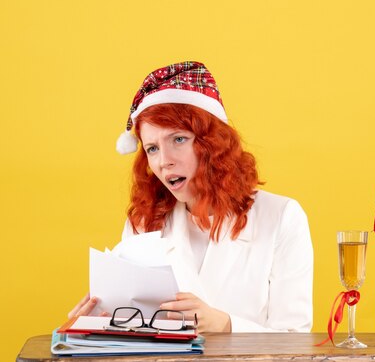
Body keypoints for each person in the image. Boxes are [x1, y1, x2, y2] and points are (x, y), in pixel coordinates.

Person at [68, 61, 314, 333]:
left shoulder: (282, 217)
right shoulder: (143, 222)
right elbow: (134, 335)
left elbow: (295, 341)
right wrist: (93, 326)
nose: (164, 162)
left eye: (179, 140)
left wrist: (226, 325)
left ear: (214, 143)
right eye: (152, 148)